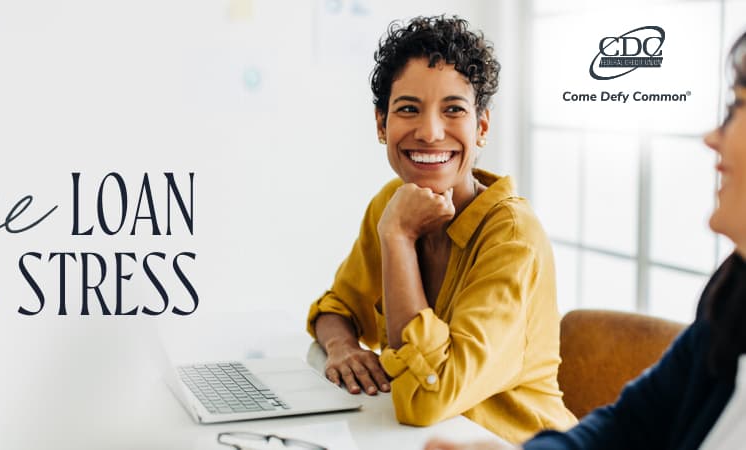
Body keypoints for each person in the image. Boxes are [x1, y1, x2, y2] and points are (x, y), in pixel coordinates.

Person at [424, 29, 746, 450]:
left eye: (736, 107)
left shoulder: (511, 232)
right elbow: (631, 426)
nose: (712, 137)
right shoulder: (732, 298)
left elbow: (430, 393)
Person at [305, 15, 577, 444]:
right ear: (381, 124)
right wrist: (344, 348)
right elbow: (338, 307)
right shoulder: (392, 202)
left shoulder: (511, 236)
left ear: (481, 126)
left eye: (453, 109)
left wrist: (397, 238)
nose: (430, 133)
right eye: (408, 109)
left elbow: (426, 399)